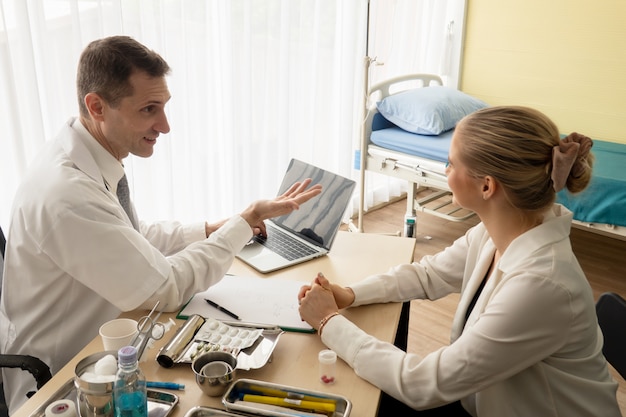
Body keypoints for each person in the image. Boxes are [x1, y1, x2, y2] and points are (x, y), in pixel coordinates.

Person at [0, 35, 322, 414]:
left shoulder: (89, 155)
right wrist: (243, 222)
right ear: (97, 106)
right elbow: (163, 288)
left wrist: (209, 229)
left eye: (164, 107)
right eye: (149, 109)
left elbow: (131, 236)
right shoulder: (66, 194)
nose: (165, 126)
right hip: (64, 380)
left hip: (111, 344)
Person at [298, 106, 622, 417]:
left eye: (451, 164)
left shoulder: (542, 284)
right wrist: (351, 294)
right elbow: (428, 275)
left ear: (486, 186)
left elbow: (424, 384)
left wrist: (329, 321)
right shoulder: (500, 231)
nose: (445, 170)